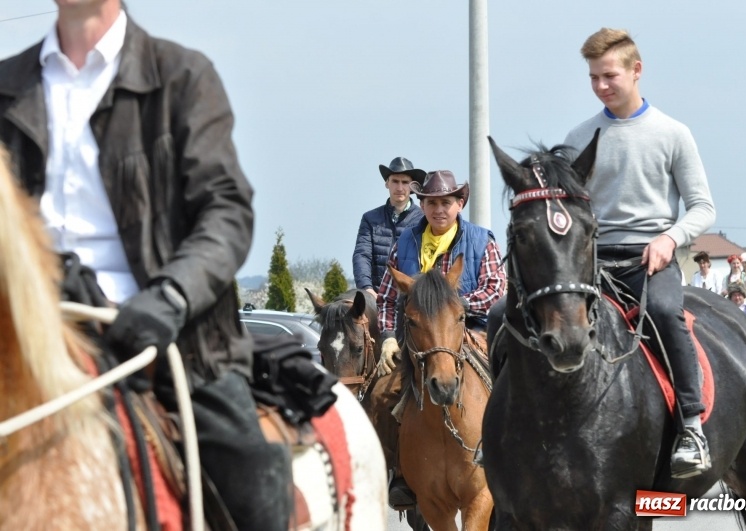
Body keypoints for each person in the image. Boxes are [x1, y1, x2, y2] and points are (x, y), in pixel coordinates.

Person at [0, 2, 288, 529]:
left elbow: (225, 211)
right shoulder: (7, 85)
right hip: (31, 329)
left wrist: (171, 295)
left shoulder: (182, 76)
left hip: (170, 337)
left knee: (251, 485)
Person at [564, 28, 716, 479]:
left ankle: (691, 427)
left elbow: (703, 207)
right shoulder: (578, 137)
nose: (600, 86)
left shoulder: (673, 133)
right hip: (590, 260)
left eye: (608, 75)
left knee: (668, 313)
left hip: (651, 258)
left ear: (636, 70)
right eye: (593, 78)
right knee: (516, 317)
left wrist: (670, 239)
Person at [375, 169, 507, 506]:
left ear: (460, 203)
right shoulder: (405, 241)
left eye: (446, 202)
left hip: (471, 330)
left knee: (517, 388)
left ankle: (517, 464)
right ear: (422, 205)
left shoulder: (481, 240)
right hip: (419, 340)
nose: (438, 210)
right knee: (381, 396)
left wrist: (453, 306)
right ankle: (399, 475)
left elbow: (496, 290)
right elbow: (389, 297)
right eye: (431, 202)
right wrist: (389, 336)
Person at [353, 157, 426, 297]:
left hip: (412, 297)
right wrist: (367, 289)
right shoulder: (370, 218)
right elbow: (362, 255)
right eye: (395, 181)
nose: (400, 188)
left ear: (412, 187)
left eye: (405, 182)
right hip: (376, 295)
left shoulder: (424, 219)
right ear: (387, 183)